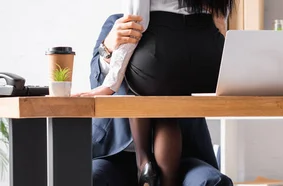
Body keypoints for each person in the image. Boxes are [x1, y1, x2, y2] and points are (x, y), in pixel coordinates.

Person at [76, 0, 233, 185]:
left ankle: (145, 165)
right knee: (92, 177)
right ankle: (148, 166)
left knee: (212, 182)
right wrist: (107, 48)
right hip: (116, 154)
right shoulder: (116, 23)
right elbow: (95, 79)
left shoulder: (193, 27)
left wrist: (112, 82)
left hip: (184, 151)